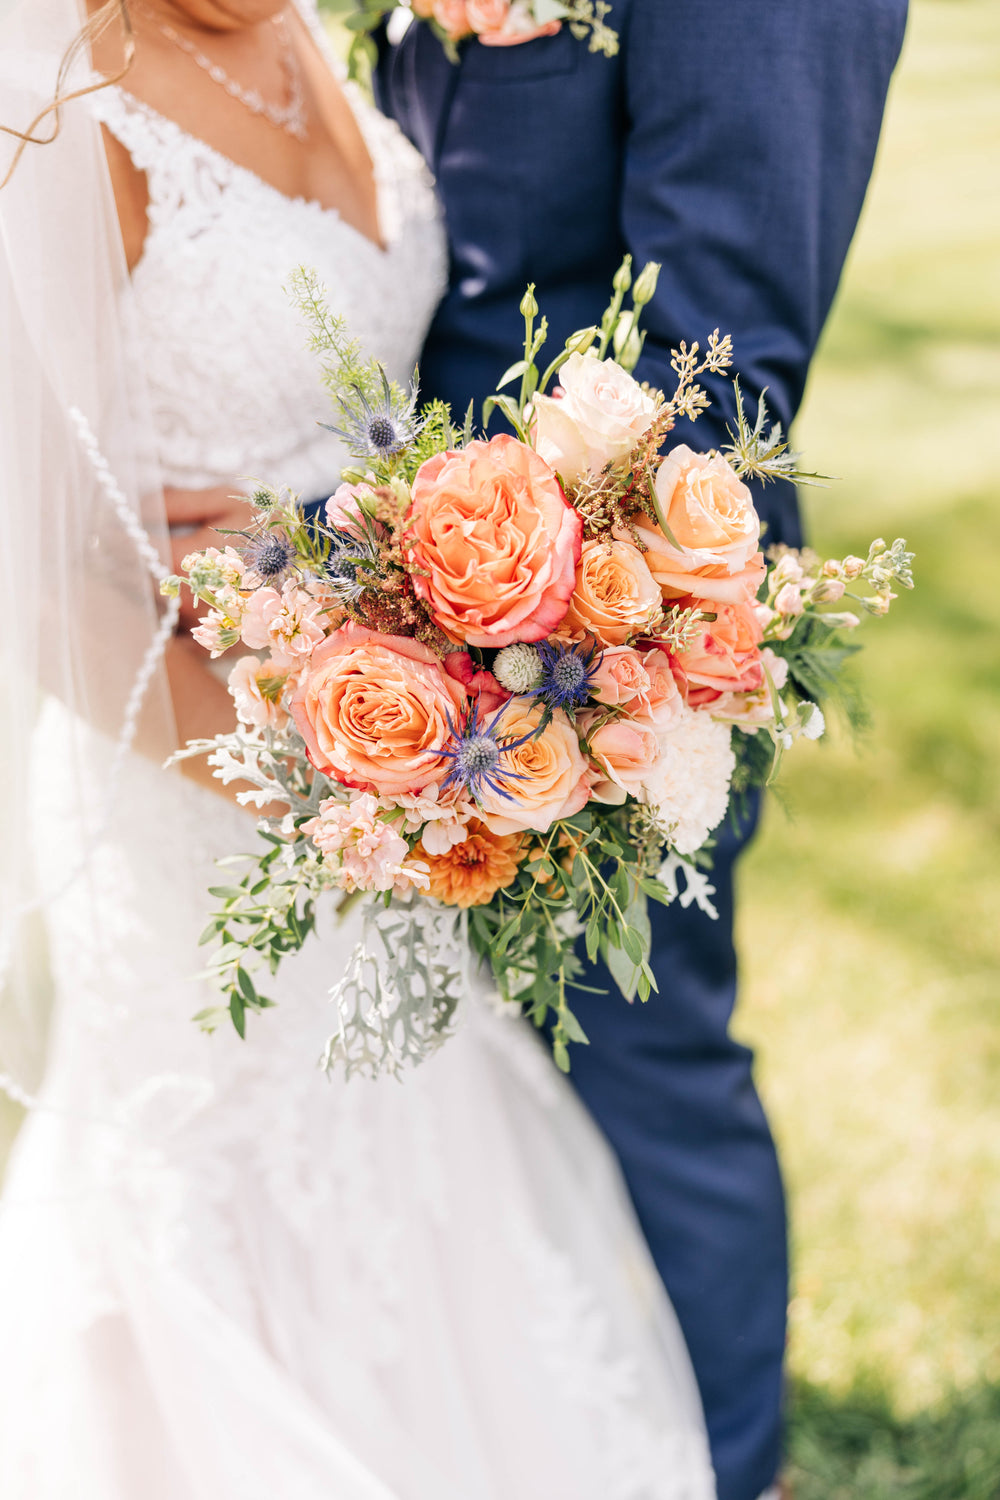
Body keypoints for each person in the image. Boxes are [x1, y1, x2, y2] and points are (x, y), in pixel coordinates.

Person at [0, 0, 720, 1495]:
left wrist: (433, 674)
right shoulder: (59, 105)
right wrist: (342, 790)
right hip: (207, 796)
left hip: (400, 760)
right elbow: (31, 575)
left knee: (407, 1172)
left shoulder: (319, 41)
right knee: (222, 1196)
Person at [373, 5, 908, 1497]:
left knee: (643, 1055)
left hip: (608, 645)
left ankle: (727, 1466)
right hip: (392, 633)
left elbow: (717, 382)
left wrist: (482, 595)